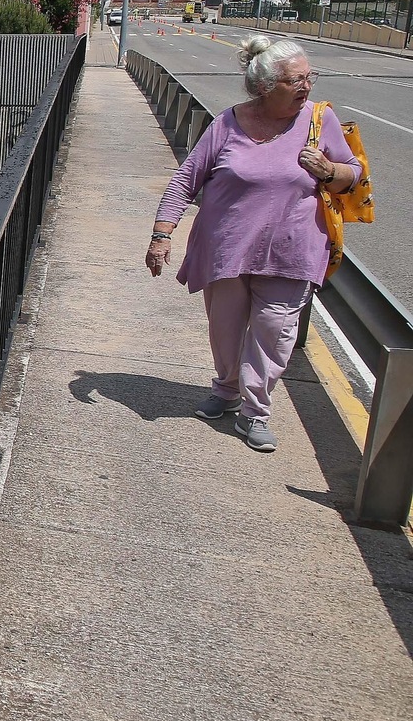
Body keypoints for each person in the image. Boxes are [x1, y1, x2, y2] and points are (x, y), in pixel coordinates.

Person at [147, 36, 361, 452]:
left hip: (293, 249)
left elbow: (352, 174)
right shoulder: (227, 123)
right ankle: (226, 388)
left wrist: (330, 168)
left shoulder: (320, 121)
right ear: (265, 86)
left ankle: (255, 411)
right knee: (225, 328)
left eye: (309, 77)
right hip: (227, 246)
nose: (306, 86)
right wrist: (162, 234)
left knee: (274, 330)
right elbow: (186, 180)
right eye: (296, 80)